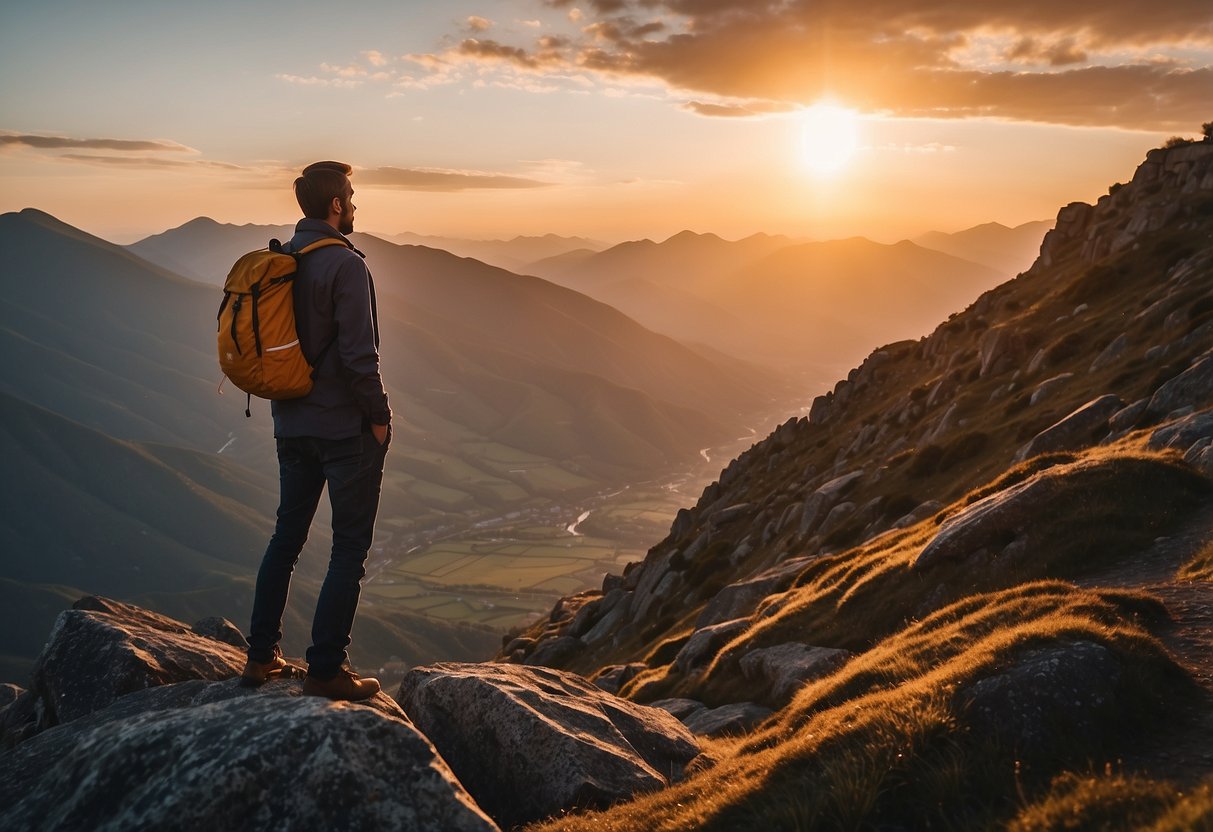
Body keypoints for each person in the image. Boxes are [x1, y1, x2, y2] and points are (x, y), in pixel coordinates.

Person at [240, 161, 392, 701]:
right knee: (348, 548)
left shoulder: (284, 259)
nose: (354, 204)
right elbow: (359, 357)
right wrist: (381, 418)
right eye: (350, 195)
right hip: (343, 432)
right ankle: (327, 669)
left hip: (290, 425)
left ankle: (261, 657)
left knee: (286, 538)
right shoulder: (345, 266)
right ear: (334, 205)